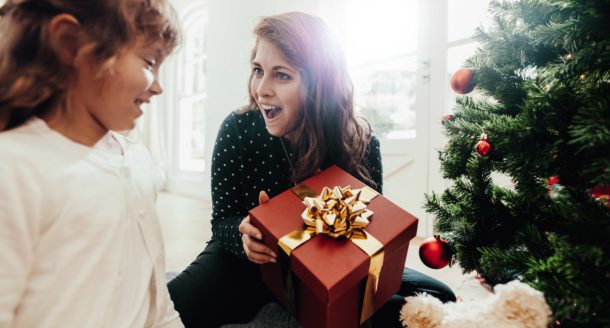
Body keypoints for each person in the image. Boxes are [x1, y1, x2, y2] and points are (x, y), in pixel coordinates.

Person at [168, 12, 455, 328]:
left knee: (438, 298)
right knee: (171, 310)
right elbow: (222, 221)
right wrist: (243, 236)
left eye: (282, 75)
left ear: (320, 85)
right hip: (248, 265)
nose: (260, 89)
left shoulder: (360, 141)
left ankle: (277, 315)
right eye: (257, 70)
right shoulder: (238, 128)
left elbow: (369, 236)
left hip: (326, 275)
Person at [0, 1, 183, 327]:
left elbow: (154, 295)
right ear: (72, 45)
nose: (158, 86)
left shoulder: (135, 158)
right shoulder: (14, 170)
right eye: (149, 62)